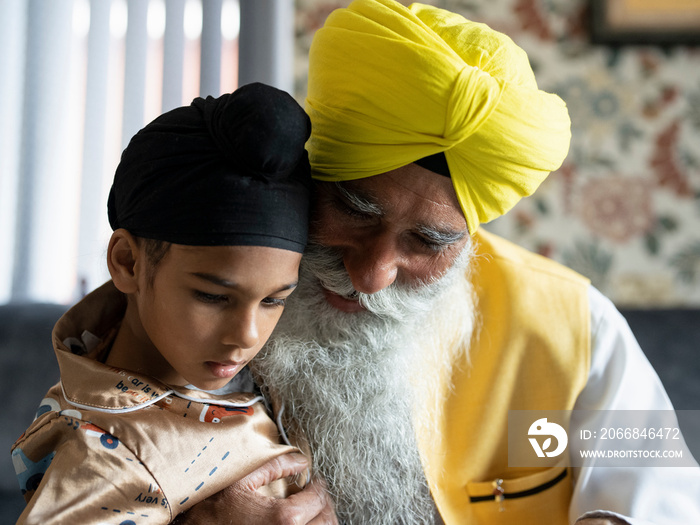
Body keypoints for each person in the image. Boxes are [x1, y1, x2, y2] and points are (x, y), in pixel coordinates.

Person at [178, 1, 700, 524]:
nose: (372, 276)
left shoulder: (576, 327)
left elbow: (668, 503)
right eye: (354, 210)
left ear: (470, 238)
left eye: (427, 242)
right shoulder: (191, 289)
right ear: (310, 171)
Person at [10, 82, 319, 524]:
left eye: (273, 300)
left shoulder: (267, 370)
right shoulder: (103, 459)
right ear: (127, 262)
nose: (246, 336)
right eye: (213, 296)